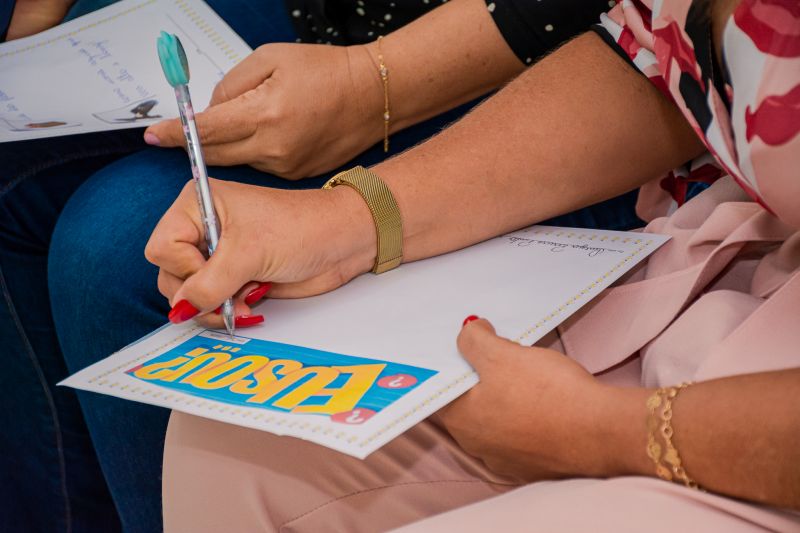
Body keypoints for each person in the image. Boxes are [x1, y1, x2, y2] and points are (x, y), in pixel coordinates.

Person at [146, 0, 800, 530]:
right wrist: (350, 219)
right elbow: (655, 57)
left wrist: (606, 432)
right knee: (227, 449)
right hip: (740, 289)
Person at [0, 0, 633, 531]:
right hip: (337, 14)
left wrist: (375, 87)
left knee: (110, 248)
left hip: (535, 43)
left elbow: (642, 51)